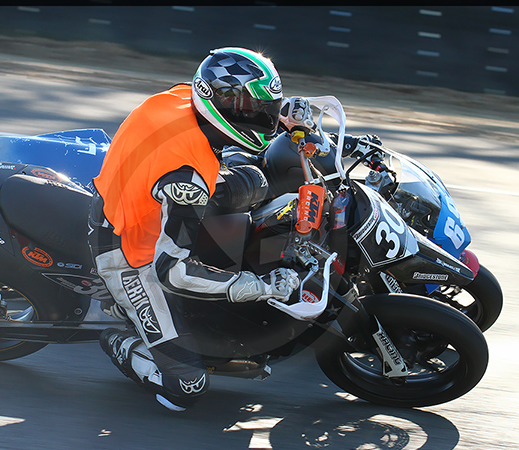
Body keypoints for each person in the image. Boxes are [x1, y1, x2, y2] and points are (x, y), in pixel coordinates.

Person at [88, 47, 374, 411]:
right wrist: (260, 287)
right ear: (218, 103)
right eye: (255, 112)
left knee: (257, 182)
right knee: (186, 387)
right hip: (129, 250)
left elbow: (240, 105)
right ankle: (118, 338)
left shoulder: (183, 97)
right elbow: (171, 271)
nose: (264, 121)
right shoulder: (188, 181)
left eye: (264, 110)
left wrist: (285, 114)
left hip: (144, 193)